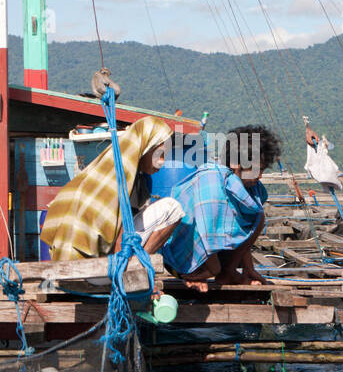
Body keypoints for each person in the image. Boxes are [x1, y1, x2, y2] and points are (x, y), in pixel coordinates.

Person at [40, 116, 184, 261]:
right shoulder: (122, 175)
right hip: (90, 263)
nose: (162, 162)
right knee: (172, 208)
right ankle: (136, 266)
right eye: (161, 154)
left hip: (66, 256)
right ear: (147, 147)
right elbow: (118, 229)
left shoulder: (106, 169)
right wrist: (119, 269)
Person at [162, 125, 278, 291]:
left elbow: (244, 228)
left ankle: (228, 272)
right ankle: (197, 272)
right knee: (213, 265)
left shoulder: (246, 189)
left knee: (259, 217)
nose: (260, 176)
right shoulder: (212, 179)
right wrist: (212, 269)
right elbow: (206, 231)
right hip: (180, 256)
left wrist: (249, 269)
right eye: (255, 169)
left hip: (210, 253)